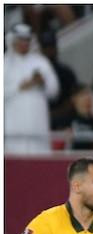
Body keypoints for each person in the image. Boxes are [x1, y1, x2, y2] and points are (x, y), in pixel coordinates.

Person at [4, 23, 59, 155]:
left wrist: (42, 83)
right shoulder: (4, 64)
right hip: (13, 130)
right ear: (13, 40)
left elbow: (54, 91)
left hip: (38, 129)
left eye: (27, 40)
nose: (24, 43)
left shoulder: (41, 62)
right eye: (21, 39)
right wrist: (19, 87)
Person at [39, 29, 79, 130]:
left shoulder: (66, 72)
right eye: (45, 48)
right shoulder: (34, 75)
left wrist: (52, 114)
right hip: (40, 124)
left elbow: (74, 100)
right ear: (41, 50)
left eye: (51, 47)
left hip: (64, 125)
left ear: (56, 47)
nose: (49, 51)